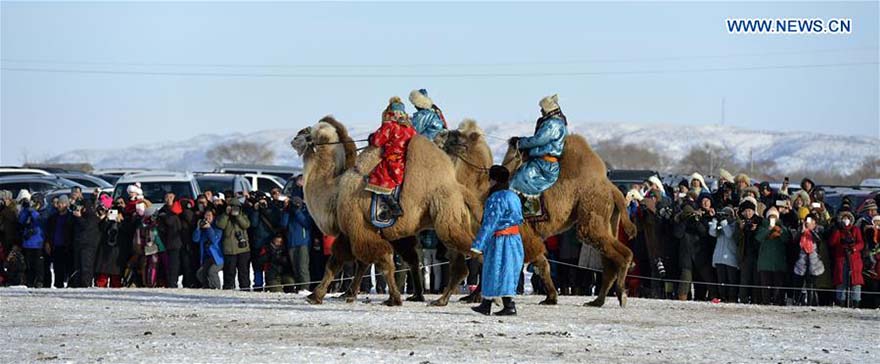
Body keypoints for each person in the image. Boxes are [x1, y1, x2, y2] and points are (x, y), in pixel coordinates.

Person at [470, 166, 524, 316]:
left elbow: (490, 223)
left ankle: (508, 305)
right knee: (507, 270)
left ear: (493, 180)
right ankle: (487, 303)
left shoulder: (496, 198)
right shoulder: (513, 196)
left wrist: (477, 245)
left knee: (495, 270)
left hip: (500, 240)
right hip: (514, 239)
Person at [365, 97, 417, 218]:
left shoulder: (390, 126)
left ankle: (394, 207)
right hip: (406, 162)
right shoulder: (410, 128)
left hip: (393, 163)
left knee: (378, 179)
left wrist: (371, 137)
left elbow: (377, 141)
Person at [509, 94, 567, 198]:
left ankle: (528, 209)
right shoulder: (555, 123)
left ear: (548, 110)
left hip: (545, 165)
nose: (541, 112)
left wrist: (519, 142)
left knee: (519, 178)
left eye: (542, 109)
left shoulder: (553, 124)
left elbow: (538, 140)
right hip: (541, 162)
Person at [755, 207, 792, 305]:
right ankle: (765, 301)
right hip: (765, 263)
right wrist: (769, 229)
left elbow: (787, 239)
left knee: (778, 286)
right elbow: (758, 238)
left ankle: (778, 302)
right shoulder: (763, 227)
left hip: (778, 263)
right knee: (765, 286)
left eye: (774, 217)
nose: (773, 219)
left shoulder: (782, 227)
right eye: (771, 217)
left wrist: (781, 231)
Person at [829, 211, 864, 307]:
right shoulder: (838, 231)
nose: (846, 220)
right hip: (841, 259)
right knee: (841, 281)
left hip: (854, 260)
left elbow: (861, 243)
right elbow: (832, 243)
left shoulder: (855, 229)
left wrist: (854, 248)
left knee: (855, 282)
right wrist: (836, 230)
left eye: (847, 218)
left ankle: (856, 302)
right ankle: (841, 302)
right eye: (844, 218)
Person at [216, 198, 251, 290]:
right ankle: (228, 287)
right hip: (229, 249)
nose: (234, 209)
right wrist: (226, 214)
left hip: (243, 249)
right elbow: (220, 225)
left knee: (243, 271)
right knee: (229, 271)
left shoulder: (243, 216)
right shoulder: (224, 216)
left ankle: (245, 288)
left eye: (236, 207)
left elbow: (246, 225)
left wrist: (238, 216)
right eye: (232, 207)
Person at [281, 193, 313, 292]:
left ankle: (305, 288)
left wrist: (297, 212)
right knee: (295, 267)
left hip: (303, 243)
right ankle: (299, 287)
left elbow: (307, 223)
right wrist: (286, 211)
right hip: (291, 243)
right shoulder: (289, 213)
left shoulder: (305, 211)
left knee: (303, 267)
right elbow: (283, 224)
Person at [792, 213, 826, 306]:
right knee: (799, 283)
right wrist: (801, 231)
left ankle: (812, 302)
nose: (809, 223)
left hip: (814, 262)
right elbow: (794, 242)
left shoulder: (818, 231)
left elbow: (818, 241)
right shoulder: (800, 232)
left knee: (812, 284)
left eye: (811, 222)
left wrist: (811, 231)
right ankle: (799, 301)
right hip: (801, 262)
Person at [709, 206, 739, 303]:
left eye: (726, 215)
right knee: (721, 281)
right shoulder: (721, 225)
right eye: (723, 214)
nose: (725, 217)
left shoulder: (734, 225)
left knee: (731, 280)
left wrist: (723, 222)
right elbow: (712, 233)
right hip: (719, 257)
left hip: (730, 258)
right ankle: (722, 297)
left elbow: (729, 234)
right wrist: (714, 220)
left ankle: (732, 298)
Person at [17, 191, 45, 288]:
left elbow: (40, 221)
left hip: (38, 244)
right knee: (28, 265)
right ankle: (29, 280)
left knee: (38, 265)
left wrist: (32, 211)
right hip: (27, 243)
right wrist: (25, 209)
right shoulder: (28, 211)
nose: (33, 204)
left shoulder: (43, 212)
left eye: (35, 202)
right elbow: (21, 221)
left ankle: (39, 281)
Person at [737, 197, 762, 304]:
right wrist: (741, 230)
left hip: (757, 255)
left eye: (750, 210)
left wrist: (756, 230)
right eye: (746, 211)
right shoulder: (739, 222)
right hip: (745, 255)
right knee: (744, 279)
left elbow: (761, 238)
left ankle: (756, 299)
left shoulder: (759, 221)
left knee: (756, 279)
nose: (748, 213)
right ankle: (743, 299)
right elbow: (736, 239)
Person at [46, 195, 75, 288]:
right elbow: (49, 231)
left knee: (69, 267)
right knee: (57, 268)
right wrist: (48, 243)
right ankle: (58, 284)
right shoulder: (53, 217)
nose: (60, 205)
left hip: (67, 246)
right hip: (56, 246)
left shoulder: (71, 217)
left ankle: (70, 285)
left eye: (62, 203)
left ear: (66, 204)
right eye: (59, 203)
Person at [157, 192, 184, 288]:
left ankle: (175, 282)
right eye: (167, 197)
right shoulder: (162, 211)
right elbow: (162, 226)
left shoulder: (180, 209)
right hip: (168, 241)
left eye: (171, 197)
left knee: (178, 264)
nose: (168, 199)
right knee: (170, 265)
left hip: (180, 240)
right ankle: (169, 283)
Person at [72, 199, 101, 287]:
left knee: (86, 267)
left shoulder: (92, 217)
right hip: (79, 244)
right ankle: (77, 284)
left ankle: (86, 284)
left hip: (88, 246)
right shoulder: (77, 218)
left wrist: (79, 217)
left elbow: (86, 226)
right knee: (78, 267)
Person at [193, 209, 223, 289]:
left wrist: (209, 228)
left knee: (212, 271)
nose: (207, 217)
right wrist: (198, 228)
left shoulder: (217, 228)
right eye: (206, 215)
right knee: (200, 273)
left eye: (209, 215)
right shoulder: (203, 230)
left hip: (218, 257)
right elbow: (195, 239)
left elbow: (214, 240)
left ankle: (217, 288)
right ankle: (207, 287)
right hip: (207, 258)